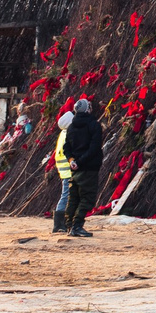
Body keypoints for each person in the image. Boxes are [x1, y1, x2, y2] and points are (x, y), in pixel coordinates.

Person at [53, 95, 104, 237]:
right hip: (89, 168)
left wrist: (72, 161)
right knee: (87, 198)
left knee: (73, 198)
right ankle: (77, 225)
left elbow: (66, 147)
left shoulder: (71, 127)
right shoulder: (94, 125)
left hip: (74, 168)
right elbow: (94, 148)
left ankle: (69, 225)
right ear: (88, 109)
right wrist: (80, 161)